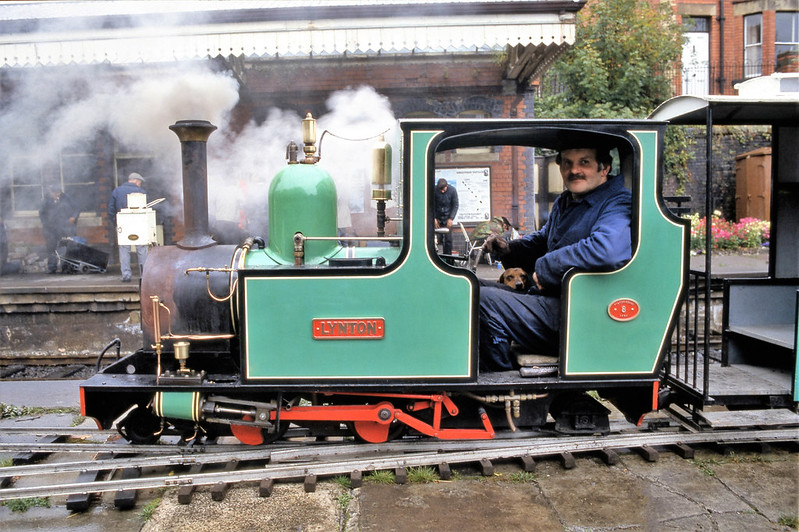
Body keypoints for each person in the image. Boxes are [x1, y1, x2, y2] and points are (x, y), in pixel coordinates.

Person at [479, 145, 632, 372]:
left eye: (584, 162)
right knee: (472, 287)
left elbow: (606, 248)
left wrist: (546, 267)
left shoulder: (617, 201)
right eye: (567, 163)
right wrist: (508, 249)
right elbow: (543, 240)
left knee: (481, 300)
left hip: (579, 314)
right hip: (555, 303)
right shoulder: (567, 201)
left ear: (605, 168)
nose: (574, 170)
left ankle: (501, 383)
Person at [109, 172, 148, 282]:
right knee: (142, 249)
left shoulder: (117, 191)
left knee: (124, 250)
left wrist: (116, 222)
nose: (139, 185)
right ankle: (144, 275)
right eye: (140, 183)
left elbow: (111, 209)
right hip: (139, 223)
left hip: (123, 223)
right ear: (136, 181)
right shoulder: (141, 192)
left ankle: (126, 275)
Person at [38, 185, 80, 274]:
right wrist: (46, 224)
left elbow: (77, 208)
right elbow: (42, 214)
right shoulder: (46, 200)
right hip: (50, 229)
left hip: (64, 228)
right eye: (52, 193)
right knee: (51, 248)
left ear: (59, 192)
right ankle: (52, 267)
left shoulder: (67, 198)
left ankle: (66, 267)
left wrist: (74, 217)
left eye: (55, 193)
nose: (53, 195)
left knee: (64, 247)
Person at [433, 178, 459, 259]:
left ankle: (448, 258)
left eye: (443, 189)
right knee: (436, 239)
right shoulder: (434, 190)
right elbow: (430, 205)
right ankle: (435, 257)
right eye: (440, 190)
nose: (442, 191)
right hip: (437, 217)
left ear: (447, 186)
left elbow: (455, 205)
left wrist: (451, 218)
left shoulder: (453, 190)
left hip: (448, 218)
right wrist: (433, 218)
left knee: (448, 240)